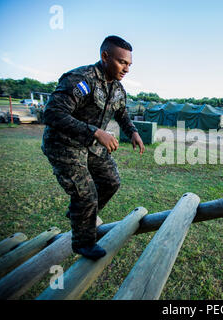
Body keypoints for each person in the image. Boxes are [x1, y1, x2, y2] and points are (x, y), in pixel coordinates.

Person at [41, 35, 145, 260]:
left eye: (129, 64)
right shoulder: (81, 79)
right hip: (64, 144)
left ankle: (80, 216)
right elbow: (51, 113)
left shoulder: (117, 87)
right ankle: (83, 243)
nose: (126, 68)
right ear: (105, 56)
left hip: (89, 145)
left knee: (111, 182)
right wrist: (96, 132)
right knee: (85, 194)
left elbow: (122, 113)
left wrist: (133, 132)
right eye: (121, 62)